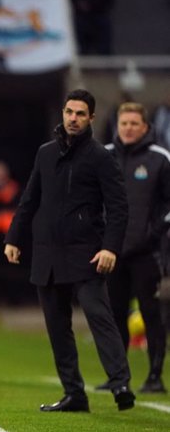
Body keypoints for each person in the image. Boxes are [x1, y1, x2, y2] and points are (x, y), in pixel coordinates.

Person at [4, 89, 135, 412]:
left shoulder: (101, 157)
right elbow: (29, 199)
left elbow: (118, 208)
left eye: (80, 114)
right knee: (57, 328)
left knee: (99, 317)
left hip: (86, 252)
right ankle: (74, 394)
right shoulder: (45, 153)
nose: (73, 118)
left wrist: (110, 249)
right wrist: (13, 238)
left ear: (91, 118)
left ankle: (120, 383)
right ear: (62, 113)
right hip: (47, 253)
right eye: (69, 112)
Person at [101, 102, 170, 393]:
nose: (128, 128)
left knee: (151, 314)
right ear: (117, 125)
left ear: (145, 127)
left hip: (146, 253)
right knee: (114, 315)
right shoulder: (103, 156)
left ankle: (155, 376)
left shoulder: (160, 158)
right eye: (123, 123)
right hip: (112, 252)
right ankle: (119, 376)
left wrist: (154, 233)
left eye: (133, 123)